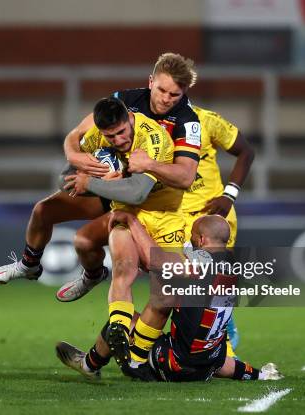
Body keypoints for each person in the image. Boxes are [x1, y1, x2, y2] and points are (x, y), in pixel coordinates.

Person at [0, 52, 200, 287]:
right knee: (44, 212)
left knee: (165, 282)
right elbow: (77, 134)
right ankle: (31, 265)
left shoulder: (187, 122)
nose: (166, 99)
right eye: (161, 90)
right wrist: (74, 155)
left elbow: (186, 176)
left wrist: (150, 165)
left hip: (158, 201)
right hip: (116, 186)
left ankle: (130, 310)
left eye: (174, 95)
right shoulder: (124, 100)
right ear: (150, 82)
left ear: (185, 92)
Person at [55, 212, 282, 382]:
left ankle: (91, 364)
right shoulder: (233, 265)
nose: (190, 241)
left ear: (201, 240)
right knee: (203, 339)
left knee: (121, 320)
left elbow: (158, 263)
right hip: (208, 363)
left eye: (192, 236)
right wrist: (258, 374)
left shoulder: (203, 264)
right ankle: (261, 375)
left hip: (174, 364)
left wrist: (133, 222)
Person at [62, 97, 185, 353]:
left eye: (121, 132)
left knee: (167, 296)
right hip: (124, 215)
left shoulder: (152, 137)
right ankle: (118, 332)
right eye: (110, 137)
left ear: (129, 118)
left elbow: (138, 192)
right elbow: (70, 180)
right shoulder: (97, 136)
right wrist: (93, 175)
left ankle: (134, 352)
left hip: (163, 218)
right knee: (122, 270)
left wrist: (98, 185)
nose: (118, 141)